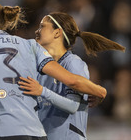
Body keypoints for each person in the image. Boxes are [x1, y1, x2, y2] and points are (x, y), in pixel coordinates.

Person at [0, 0, 107, 140]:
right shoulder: (30, 48)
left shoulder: (73, 62)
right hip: (38, 133)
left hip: (7, 132)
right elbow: (31, 95)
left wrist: (99, 91)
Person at [18, 12, 125, 140]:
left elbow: (72, 106)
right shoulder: (40, 67)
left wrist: (42, 91)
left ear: (57, 32)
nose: (37, 31)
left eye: (42, 26)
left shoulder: (73, 63)